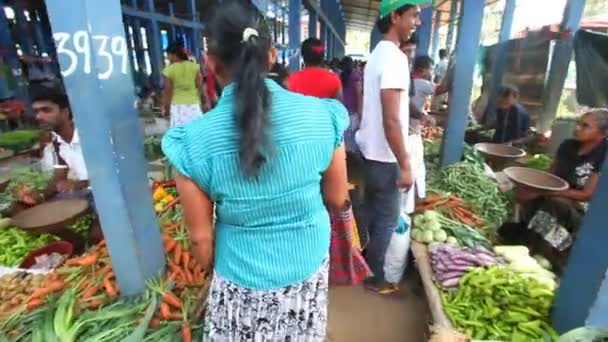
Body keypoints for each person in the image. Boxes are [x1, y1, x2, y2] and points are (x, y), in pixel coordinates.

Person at [161, 2, 349, 339]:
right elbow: (337, 197)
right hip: (307, 263)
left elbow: (202, 240)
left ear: (210, 62)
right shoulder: (324, 116)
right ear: (272, 55)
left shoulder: (191, 142)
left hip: (241, 276)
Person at [356, 0, 422, 294]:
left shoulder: (376, 56)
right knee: (385, 220)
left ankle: (361, 264)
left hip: (369, 150)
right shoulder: (395, 59)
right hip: (386, 156)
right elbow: (392, 120)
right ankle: (376, 279)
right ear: (395, 17)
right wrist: (406, 164)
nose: (416, 22)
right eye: (413, 15)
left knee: (371, 211)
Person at [501, 109, 607, 272]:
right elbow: (551, 177)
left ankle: (559, 256)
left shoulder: (604, 155)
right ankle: (530, 245)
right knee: (529, 199)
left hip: (586, 208)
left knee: (554, 205)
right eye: (577, 123)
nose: (577, 128)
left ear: (603, 132)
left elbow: (587, 194)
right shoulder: (568, 146)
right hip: (558, 195)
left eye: (585, 126)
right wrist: (533, 189)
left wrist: (548, 193)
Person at [27, 86, 102, 243]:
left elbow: (114, 175)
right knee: (24, 210)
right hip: (86, 194)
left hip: (108, 192)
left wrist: (78, 184)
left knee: (96, 236)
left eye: (46, 110)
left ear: (65, 112)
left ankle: (87, 243)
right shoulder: (56, 141)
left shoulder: (91, 135)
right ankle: (79, 244)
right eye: (36, 112)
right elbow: (58, 177)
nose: (39, 116)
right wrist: (39, 195)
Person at [162, 43, 202, 127]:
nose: (167, 58)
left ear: (173, 55)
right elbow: (199, 86)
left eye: (168, 55)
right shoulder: (194, 67)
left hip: (177, 107)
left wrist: (166, 108)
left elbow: (168, 92)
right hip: (193, 105)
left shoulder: (169, 70)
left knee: (180, 134)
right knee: (196, 132)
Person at [340, 56, 363, 154]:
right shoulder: (356, 77)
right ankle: (353, 162)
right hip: (353, 111)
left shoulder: (339, 76)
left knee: (344, 139)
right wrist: (360, 112)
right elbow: (359, 95)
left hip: (342, 111)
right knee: (354, 139)